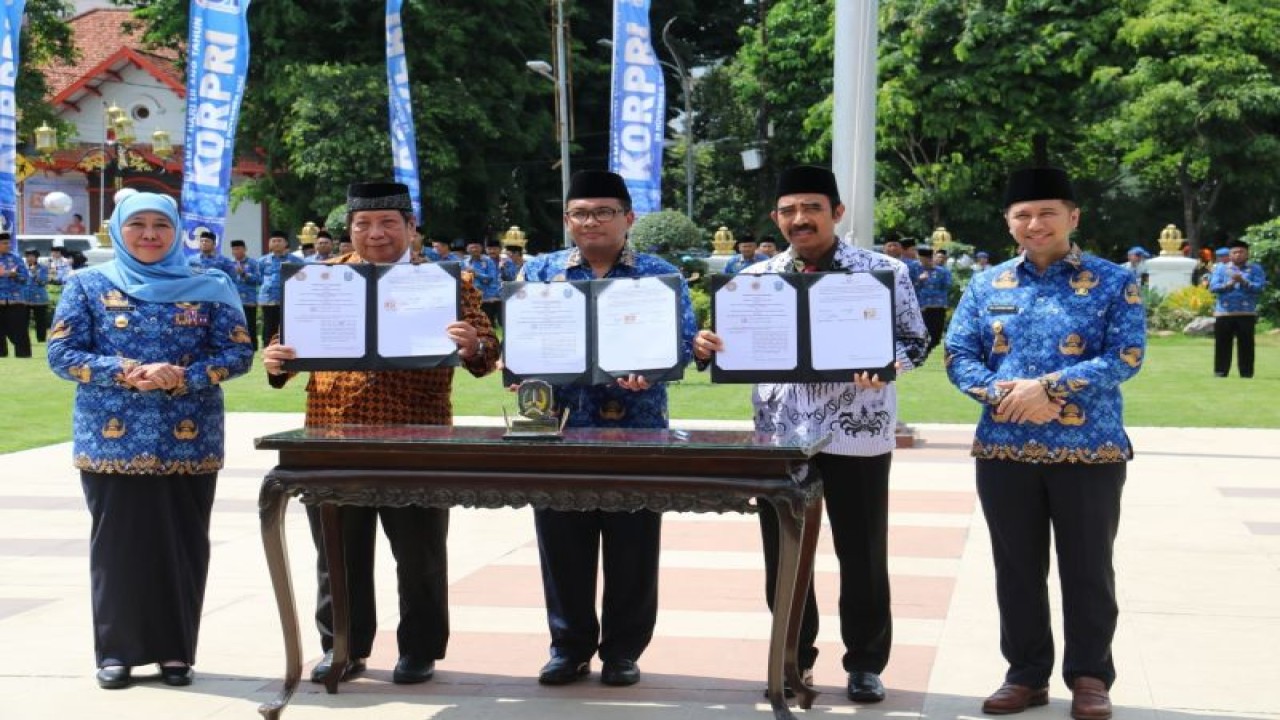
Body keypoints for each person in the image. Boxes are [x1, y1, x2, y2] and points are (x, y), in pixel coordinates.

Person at [695, 165, 929, 703]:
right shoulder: (754, 278)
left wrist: (887, 364)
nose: (799, 219)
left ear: (837, 212)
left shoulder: (881, 271)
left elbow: (916, 340)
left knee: (863, 550)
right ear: (777, 217)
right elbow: (733, 346)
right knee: (784, 552)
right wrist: (709, 345)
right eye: (788, 210)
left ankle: (866, 664)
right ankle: (791, 659)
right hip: (781, 434)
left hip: (858, 428)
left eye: (812, 208)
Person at [262, 181, 498, 686]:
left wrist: (475, 342)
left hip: (418, 434)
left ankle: (420, 649)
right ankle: (343, 648)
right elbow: (284, 351)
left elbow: (487, 356)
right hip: (332, 434)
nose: (375, 233)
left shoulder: (448, 282)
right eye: (363, 224)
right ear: (349, 230)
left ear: (412, 228)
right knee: (337, 554)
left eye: (389, 222)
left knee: (421, 554)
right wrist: (276, 359)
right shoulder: (318, 281)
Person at [944, 167, 1145, 720]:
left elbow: (1125, 356)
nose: (1035, 224)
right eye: (1022, 215)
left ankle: (1089, 676)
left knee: (1087, 567)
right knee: (1016, 568)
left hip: (1090, 449)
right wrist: (1004, 395)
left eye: (1047, 213)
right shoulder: (987, 285)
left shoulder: (1113, 281)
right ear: (1009, 222)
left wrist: (1051, 388)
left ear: (1073, 217)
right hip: (1004, 448)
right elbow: (958, 354)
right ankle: (1026, 675)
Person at [46, 191, 253, 690]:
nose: (149, 234)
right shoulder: (87, 284)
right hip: (111, 440)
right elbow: (61, 352)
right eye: (136, 224)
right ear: (118, 229)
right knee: (118, 546)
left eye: (160, 224)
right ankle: (116, 653)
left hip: (189, 439)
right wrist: (126, 371)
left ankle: (175, 654)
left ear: (176, 231)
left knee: (182, 545)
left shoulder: (211, 285)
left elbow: (238, 354)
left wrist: (182, 376)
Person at [519, 170, 696, 688]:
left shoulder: (658, 274)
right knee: (560, 540)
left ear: (628, 218)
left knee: (633, 542)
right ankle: (568, 647)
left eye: (603, 212)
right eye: (579, 213)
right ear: (567, 218)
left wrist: (654, 368)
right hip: (555, 425)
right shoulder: (541, 271)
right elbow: (524, 340)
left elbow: (682, 343)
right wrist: (520, 365)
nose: (590, 222)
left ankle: (622, 651)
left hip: (636, 426)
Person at [1208, 239, 1266, 379]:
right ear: (1230, 254)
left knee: (1246, 345)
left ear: (1247, 254)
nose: (1238, 255)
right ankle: (1220, 372)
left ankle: (1246, 373)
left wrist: (1244, 282)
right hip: (1224, 313)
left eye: (1241, 252)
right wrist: (1229, 283)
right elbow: (1213, 287)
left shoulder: (1255, 269)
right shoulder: (1221, 269)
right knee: (1222, 344)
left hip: (1246, 313)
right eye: (1235, 252)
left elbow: (1260, 288)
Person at [256, 229, 292, 348]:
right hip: (268, 298)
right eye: (274, 241)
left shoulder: (294, 260)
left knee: (288, 327)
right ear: (269, 243)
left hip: (288, 299)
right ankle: (268, 351)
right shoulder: (262, 261)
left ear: (285, 243)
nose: (276, 243)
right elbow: (258, 278)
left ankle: (288, 351)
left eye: (279, 241)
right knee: (269, 327)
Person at [0, 231, 33, 358]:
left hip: (15, 301)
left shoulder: (15, 258)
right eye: (4, 243)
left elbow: (25, 277)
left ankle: (23, 355)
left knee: (19, 331)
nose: (8, 245)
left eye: (8, 243)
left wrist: (15, 275)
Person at [916, 246, 952, 353]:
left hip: (938, 305)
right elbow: (912, 287)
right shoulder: (917, 270)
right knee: (925, 331)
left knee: (937, 333)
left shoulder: (943, 272)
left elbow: (946, 286)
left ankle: (930, 348)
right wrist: (919, 280)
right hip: (923, 306)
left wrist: (928, 291)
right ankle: (923, 352)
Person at [462, 238, 502, 329]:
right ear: (467, 249)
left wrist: (476, 274)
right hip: (471, 298)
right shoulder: (464, 263)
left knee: (489, 324)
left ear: (481, 248)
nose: (474, 249)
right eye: (472, 247)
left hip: (488, 298)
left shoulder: (488, 261)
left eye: (477, 247)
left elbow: (491, 278)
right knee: (475, 325)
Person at [228, 239, 261, 350]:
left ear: (245, 249)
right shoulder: (229, 264)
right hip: (233, 300)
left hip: (249, 300)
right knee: (234, 324)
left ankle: (253, 347)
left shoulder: (253, 263)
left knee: (250, 324)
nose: (236, 251)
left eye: (238, 248)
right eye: (234, 249)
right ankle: (236, 345)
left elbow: (258, 280)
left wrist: (244, 274)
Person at [24, 249, 51, 344]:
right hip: (24, 297)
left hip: (39, 298)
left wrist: (35, 273)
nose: (29, 258)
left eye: (32, 256)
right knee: (23, 320)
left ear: (36, 257)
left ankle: (41, 339)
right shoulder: (21, 267)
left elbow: (43, 282)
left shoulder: (43, 268)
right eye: (28, 256)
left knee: (40, 320)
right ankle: (24, 340)